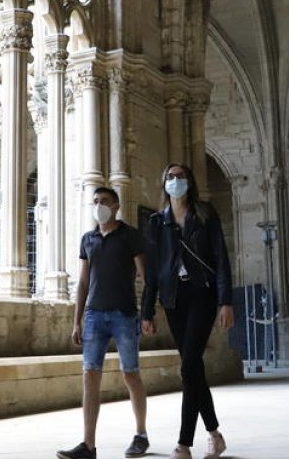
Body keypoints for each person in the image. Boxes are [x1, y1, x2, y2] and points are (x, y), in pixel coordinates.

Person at [141, 163, 234, 459]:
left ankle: (183, 444)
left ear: (190, 182)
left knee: (188, 365)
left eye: (181, 176)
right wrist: (146, 311)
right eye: (170, 176)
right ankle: (215, 434)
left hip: (202, 294)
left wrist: (226, 301)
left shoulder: (205, 214)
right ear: (163, 183)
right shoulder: (157, 222)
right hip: (173, 298)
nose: (176, 180)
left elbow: (221, 258)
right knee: (193, 368)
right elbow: (153, 271)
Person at [58, 187, 151, 459]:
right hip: (94, 316)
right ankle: (88, 445)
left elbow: (145, 277)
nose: (99, 205)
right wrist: (77, 321)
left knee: (130, 373)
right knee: (90, 374)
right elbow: (84, 282)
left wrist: (146, 314)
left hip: (124, 314)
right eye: (96, 201)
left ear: (116, 206)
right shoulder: (88, 239)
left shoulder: (131, 236)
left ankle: (141, 434)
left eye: (104, 201)